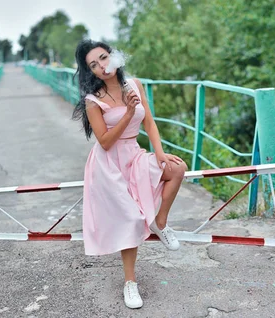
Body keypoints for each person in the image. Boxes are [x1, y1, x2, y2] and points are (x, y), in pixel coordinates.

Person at [72, 39, 188, 309]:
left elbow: (148, 120)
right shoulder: (93, 100)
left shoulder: (134, 84)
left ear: (113, 56)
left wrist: (159, 153)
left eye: (103, 58)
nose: (102, 66)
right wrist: (127, 112)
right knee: (131, 219)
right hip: (108, 165)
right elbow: (105, 142)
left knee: (178, 169)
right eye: (94, 65)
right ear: (90, 72)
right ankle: (130, 283)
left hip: (133, 154)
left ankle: (159, 222)